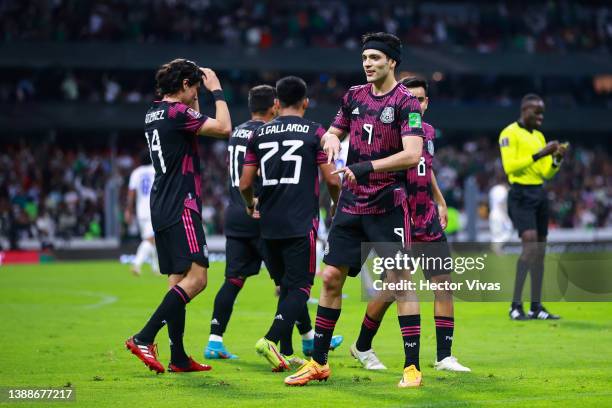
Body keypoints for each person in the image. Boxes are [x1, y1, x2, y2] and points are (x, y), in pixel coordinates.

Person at [284, 32, 426, 388]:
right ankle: (318, 362)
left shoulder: (406, 101)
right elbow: (335, 131)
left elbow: (413, 154)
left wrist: (368, 167)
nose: (368, 63)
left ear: (392, 62)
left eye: (375, 58)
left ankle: (411, 367)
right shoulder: (353, 96)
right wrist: (331, 138)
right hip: (351, 203)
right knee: (330, 278)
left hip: (388, 203)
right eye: (365, 58)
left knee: (400, 282)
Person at [349, 77, 470, 374]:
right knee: (394, 289)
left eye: (421, 99)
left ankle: (444, 356)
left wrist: (440, 201)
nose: (416, 103)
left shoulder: (427, 132)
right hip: (397, 219)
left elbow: (425, 171)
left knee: (443, 285)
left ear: (427, 103)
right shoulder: (388, 133)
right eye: (411, 98)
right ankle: (362, 344)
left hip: (426, 217)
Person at [125, 58, 231, 373]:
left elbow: (190, 114)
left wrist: (189, 77)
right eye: (194, 86)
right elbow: (224, 128)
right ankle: (143, 337)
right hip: (182, 202)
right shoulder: (178, 113)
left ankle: (178, 357)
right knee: (198, 279)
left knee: (177, 281)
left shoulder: (155, 112)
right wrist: (217, 91)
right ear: (185, 86)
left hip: (160, 202)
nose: (198, 92)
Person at [240, 76, 341, 372]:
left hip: (268, 223)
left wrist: (250, 204)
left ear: (276, 103)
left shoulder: (257, 134)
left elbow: (245, 182)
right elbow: (332, 179)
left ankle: (285, 349)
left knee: (285, 286)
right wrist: (335, 204)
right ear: (306, 102)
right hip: (300, 221)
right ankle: (271, 339)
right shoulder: (314, 132)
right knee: (300, 288)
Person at [499, 93, 567, 321]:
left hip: (538, 193)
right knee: (530, 248)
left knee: (540, 251)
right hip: (520, 194)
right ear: (524, 110)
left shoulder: (539, 136)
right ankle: (515, 305)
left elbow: (546, 172)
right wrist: (540, 154)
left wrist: (556, 159)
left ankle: (535, 306)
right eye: (536, 112)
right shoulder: (509, 133)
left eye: (542, 114)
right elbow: (510, 167)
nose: (540, 117)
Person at [125, 152, 158, 275]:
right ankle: (136, 264)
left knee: (153, 239)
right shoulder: (156, 170)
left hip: (141, 212)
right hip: (154, 209)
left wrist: (128, 210)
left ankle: (156, 268)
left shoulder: (136, 172)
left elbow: (131, 193)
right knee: (150, 239)